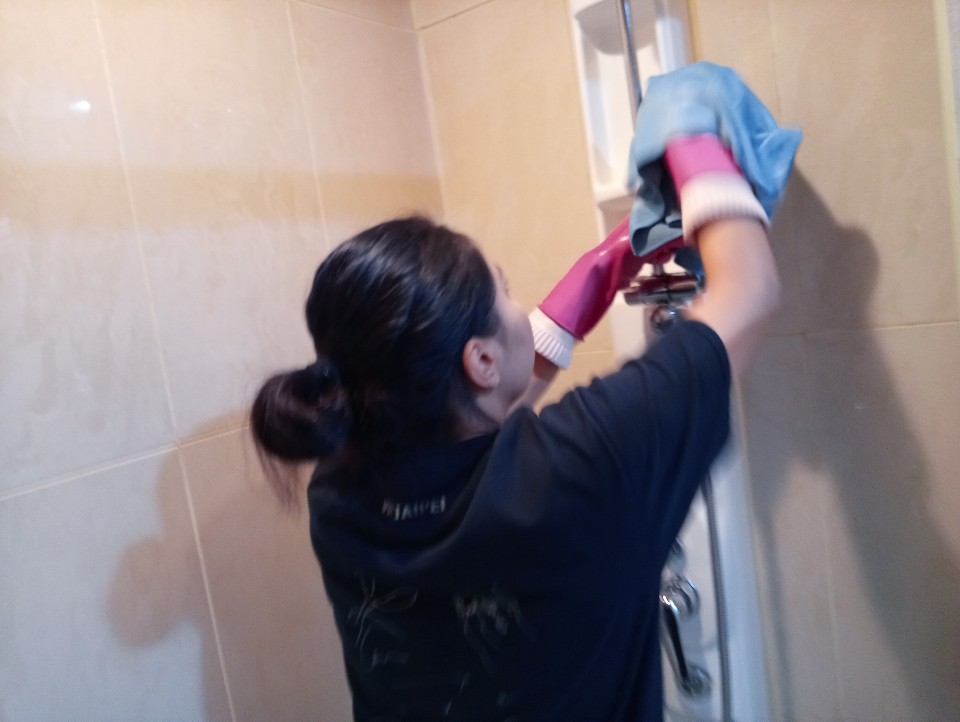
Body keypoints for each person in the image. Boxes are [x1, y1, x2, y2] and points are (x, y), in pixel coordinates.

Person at [251, 82, 784, 719]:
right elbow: (749, 292)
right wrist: (690, 135)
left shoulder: (339, 493)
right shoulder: (584, 464)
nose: (516, 305)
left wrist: (598, 274)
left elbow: (466, 410)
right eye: (503, 291)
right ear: (479, 361)